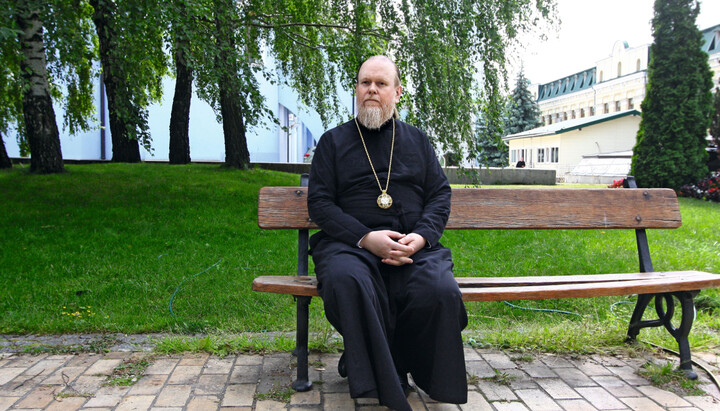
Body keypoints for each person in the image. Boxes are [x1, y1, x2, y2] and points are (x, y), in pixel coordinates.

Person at [307, 55, 468, 411]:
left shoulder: (417, 141)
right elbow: (319, 203)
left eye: (381, 84)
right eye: (365, 83)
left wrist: (421, 237)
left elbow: (439, 195)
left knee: (439, 290)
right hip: (350, 246)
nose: (372, 90)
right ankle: (386, 376)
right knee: (347, 280)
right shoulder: (333, 142)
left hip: (412, 246)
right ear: (356, 89)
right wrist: (366, 239)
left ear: (397, 93)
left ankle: (400, 364)